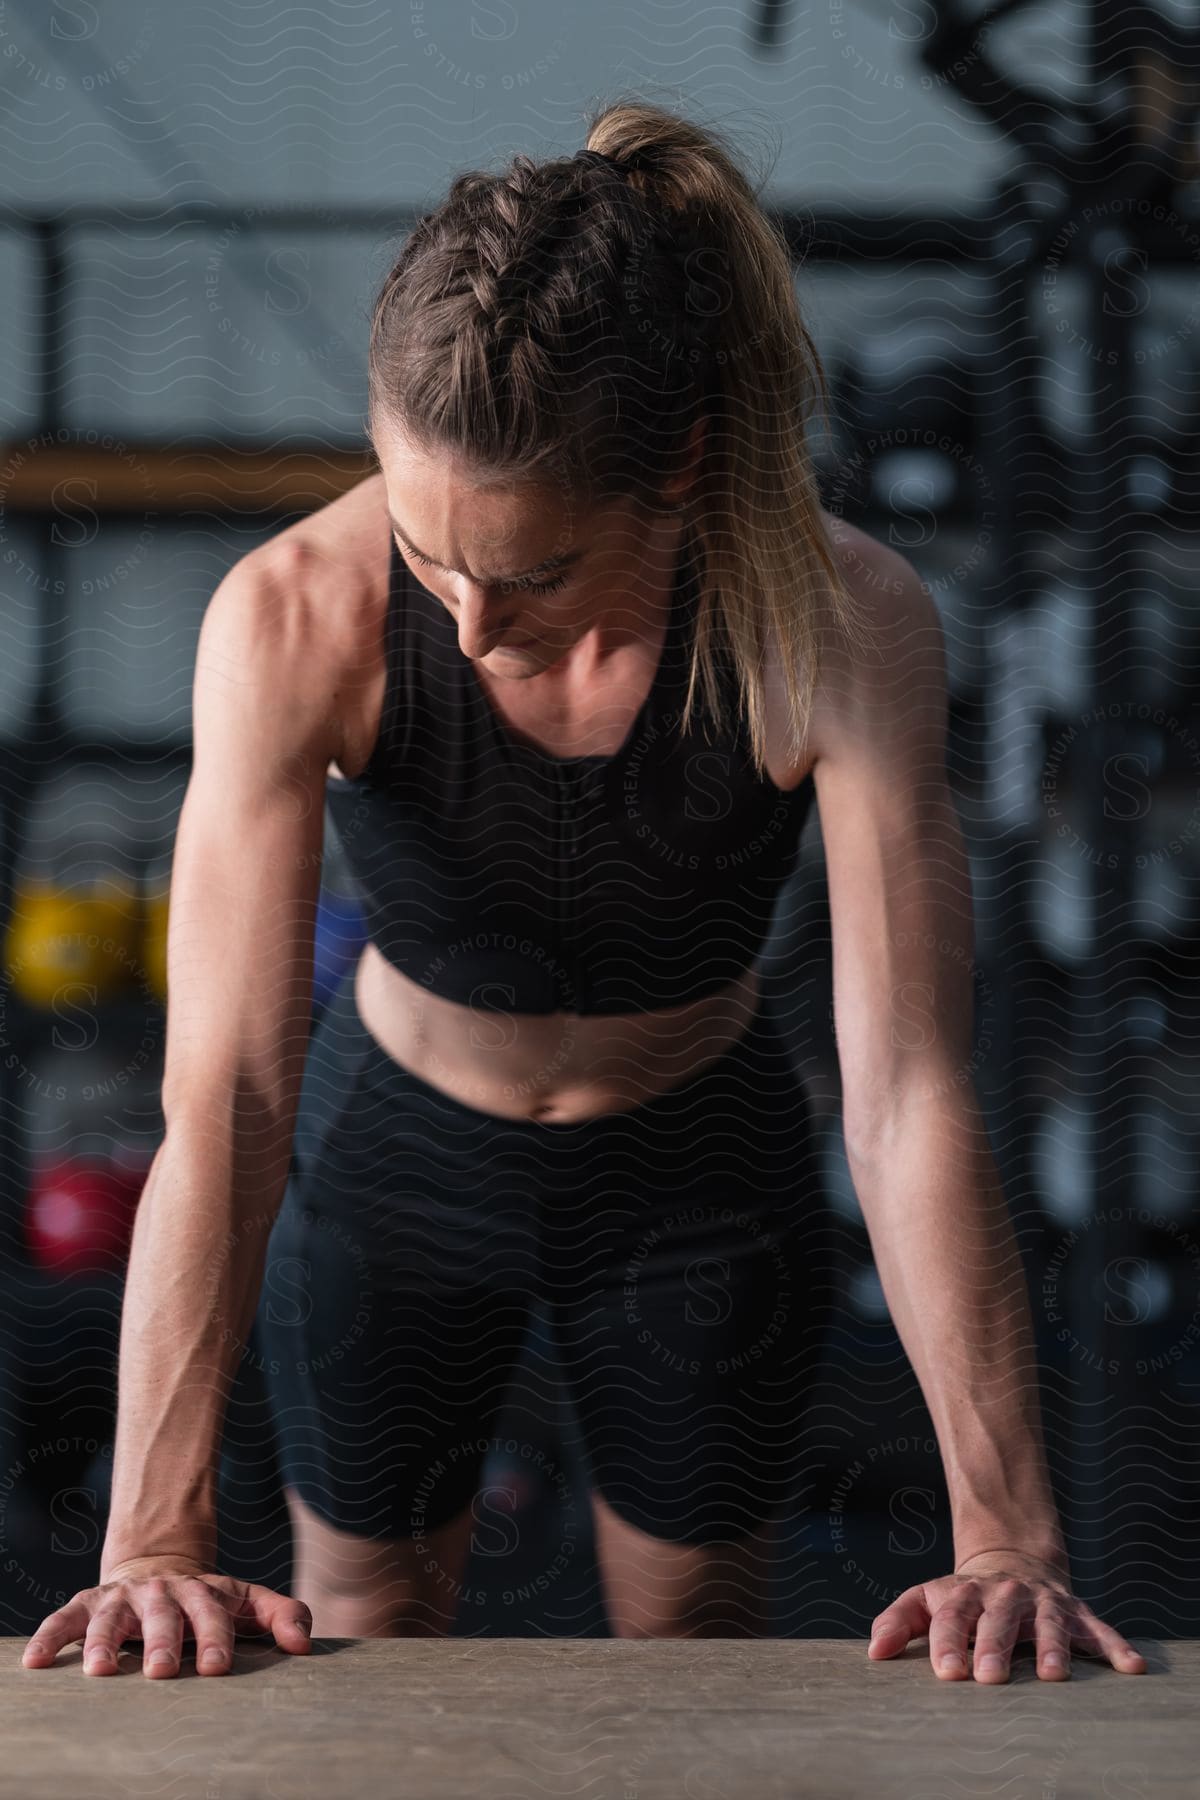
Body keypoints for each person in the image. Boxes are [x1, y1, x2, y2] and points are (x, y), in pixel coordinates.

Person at [23, 99, 1145, 1683]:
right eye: (429, 556)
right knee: (367, 1654)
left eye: (533, 573)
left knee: (689, 1657)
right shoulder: (290, 617)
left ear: (679, 466)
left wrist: (1008, 1540)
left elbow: (904, 1092)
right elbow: (228, 1090)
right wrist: (151, 1538)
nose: (472, 628)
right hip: (393, 1164)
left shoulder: (833, 623)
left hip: (698, 1179)